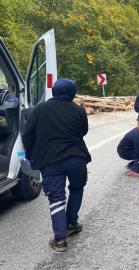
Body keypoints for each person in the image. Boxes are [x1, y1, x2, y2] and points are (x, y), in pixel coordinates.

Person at [22, 78, 91, 252]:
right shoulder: (79, 110)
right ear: (73, 93)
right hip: (76, 157)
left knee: (56, 197)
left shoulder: (40, 109)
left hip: (51, 160)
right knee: (77, 188)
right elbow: (83, 131)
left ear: (53, 91)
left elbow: (28, 135)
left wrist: (30, 157)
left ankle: (60, 240)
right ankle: (71, 223)